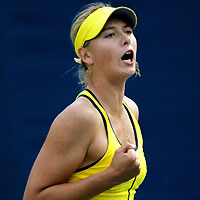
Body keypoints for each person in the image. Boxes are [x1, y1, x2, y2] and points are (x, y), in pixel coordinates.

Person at [23, 2, 147, 200]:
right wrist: (111, 176)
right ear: (86, 55)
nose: (126, 39)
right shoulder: (81, 117)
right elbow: (34, 197)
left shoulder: (131, 109)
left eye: (128, 31)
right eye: (110, 35)